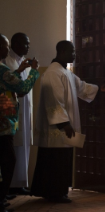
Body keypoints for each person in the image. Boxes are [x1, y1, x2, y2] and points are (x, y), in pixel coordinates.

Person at [31, 40, 105, 203]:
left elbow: (81, 87)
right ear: (62, 51)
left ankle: (58, 191)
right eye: (72, 51)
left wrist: (99, 89)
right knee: (55, 160)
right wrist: (64, 123)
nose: (74, 54)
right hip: (56, 129)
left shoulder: (65, 72)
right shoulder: (53, 73)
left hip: (62, 127)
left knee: (62, 159)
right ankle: (54, 193)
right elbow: (54, 101)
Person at [0, 33, 39, 212]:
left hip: (5, 119)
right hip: (3, 123)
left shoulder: (3, 68)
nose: (6, 49)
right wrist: (34, 72)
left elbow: (7, 83)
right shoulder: (2, 68)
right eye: (4, 45)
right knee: (9, 160)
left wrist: (19, 70)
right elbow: (22, 88)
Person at [3, 33, 33, 196]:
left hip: (23, 112)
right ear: (14, 44)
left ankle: (20, 182)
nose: (28, 47)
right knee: (12, 150)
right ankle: (9, 185)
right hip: (11, 113)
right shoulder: (7, 62)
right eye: (25, 44)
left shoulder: (25, 63)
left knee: (23, 147)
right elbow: (19, 88)